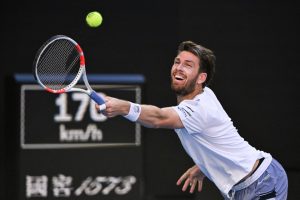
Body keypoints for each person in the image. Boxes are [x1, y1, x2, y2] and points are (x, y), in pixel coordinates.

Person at [95, 41, 288, 199]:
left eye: (188, 65)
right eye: (177, 61)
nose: (178, 68)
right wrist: (205, 165)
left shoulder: (200, 108)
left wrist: (123, 107)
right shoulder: (203, 96)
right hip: (246, 187)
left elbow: (158, 118)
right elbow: (217, 140)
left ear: (201, 78)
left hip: (263, 182)